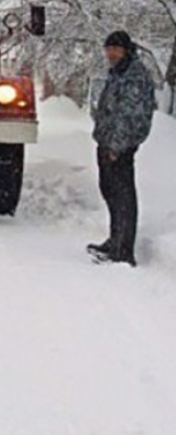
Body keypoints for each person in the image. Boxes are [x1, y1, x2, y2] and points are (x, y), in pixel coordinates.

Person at [87, 30, 157, 267]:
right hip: (107, 142)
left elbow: (130, 116)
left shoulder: (134, 76)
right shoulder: (118, 73)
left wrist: (116, 146)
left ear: (126, 50)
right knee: (110, 191)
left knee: (123, 195)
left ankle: (124, 250)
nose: (111, 54)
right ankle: (115, 240)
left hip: (120, 146)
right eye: (108, 49)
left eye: (115, 49)